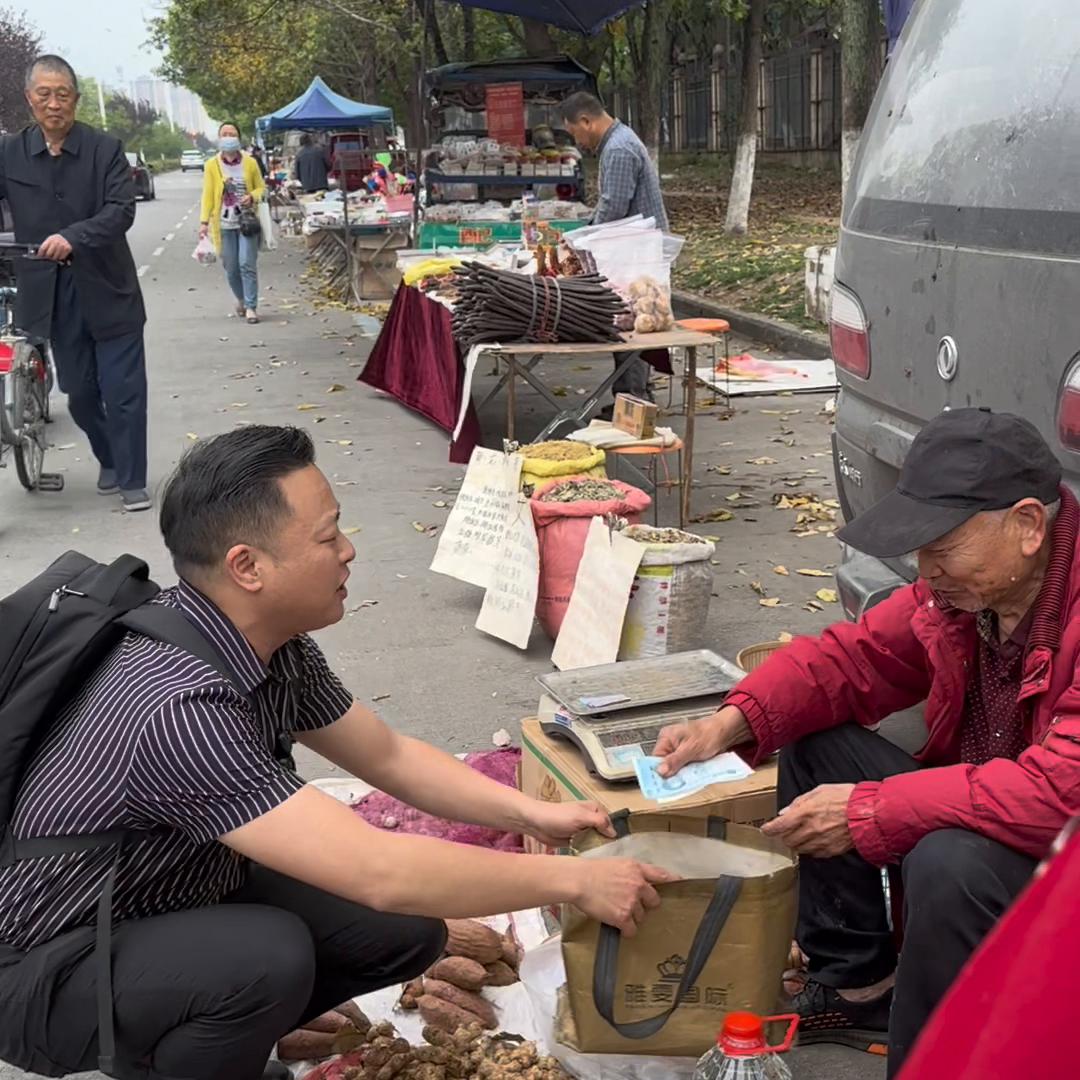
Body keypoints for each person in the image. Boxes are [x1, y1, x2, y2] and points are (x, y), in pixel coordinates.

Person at [0, 424, 673, 1080]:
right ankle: (182, 1046)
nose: (348, 551)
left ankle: (214, 1023)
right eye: (327, 537)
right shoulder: (175, 706)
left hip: (161, 897)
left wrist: (532, 815)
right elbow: (379, 868)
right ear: (247, 566)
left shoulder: (271, 644)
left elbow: (388, 757)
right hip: (45, 967)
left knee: (403, 930)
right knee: (270, 959)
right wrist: (578, 881)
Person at [654, 408, 1080, 1077]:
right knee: (816, 740)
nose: (925, 570)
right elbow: (853, 661)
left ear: (1027, 526)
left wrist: (870, 811)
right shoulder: (968, 597)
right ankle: (860, 985)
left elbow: (1060, 793)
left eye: (942, 549)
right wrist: (731, 723)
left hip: (1064, 855)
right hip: (995, 803)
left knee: (949, 863)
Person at [0, 55, 150, 511]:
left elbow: (121, 209)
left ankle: (131, 478)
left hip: (109, 287)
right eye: (44, 94)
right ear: (30, 99)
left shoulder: (105, 148)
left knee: (124, 391)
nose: (53, 103)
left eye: (62, 94)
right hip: (51, 294)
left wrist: (73, 236)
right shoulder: (9, 153)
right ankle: (108, 454)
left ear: (76, 100)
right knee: (80, 393)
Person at [560, 91, 668, 407]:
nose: (577, 140)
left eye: (573, 132)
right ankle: (630, 396)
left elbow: (614, 207)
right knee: (627, 321)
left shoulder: (619, 149)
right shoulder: (616, 142)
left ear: (585, 121)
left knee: (631, 324)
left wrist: (581, 240)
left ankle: (633, 400)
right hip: (633, 246)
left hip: (637, 250)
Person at [199, 122, 265, 325]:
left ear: (238, 137)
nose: (228, 137)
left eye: (232, 133)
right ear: (219, 138)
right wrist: (203, 223)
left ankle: (251, 306)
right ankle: (241, 299)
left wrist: (252, 196)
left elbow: (262, 188)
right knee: (231, 267)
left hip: (247, 222)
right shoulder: (212, 165)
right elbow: (208, 195)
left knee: (247, 263)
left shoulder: (250, 163)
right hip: (224, 224)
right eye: (224, 134)